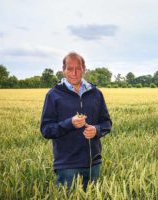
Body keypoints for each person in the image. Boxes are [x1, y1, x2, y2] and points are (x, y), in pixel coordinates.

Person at [40, 52, 112, 191]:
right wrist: (69, 124)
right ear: (63, 70)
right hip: (67, 166)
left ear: (84, 69)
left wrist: (96, 130)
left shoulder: (96, 93)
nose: (74, 73)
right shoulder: (53, 95)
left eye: (78, 68)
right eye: (69, 68)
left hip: (93, 164)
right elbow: (46, 129)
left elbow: (107, 123)